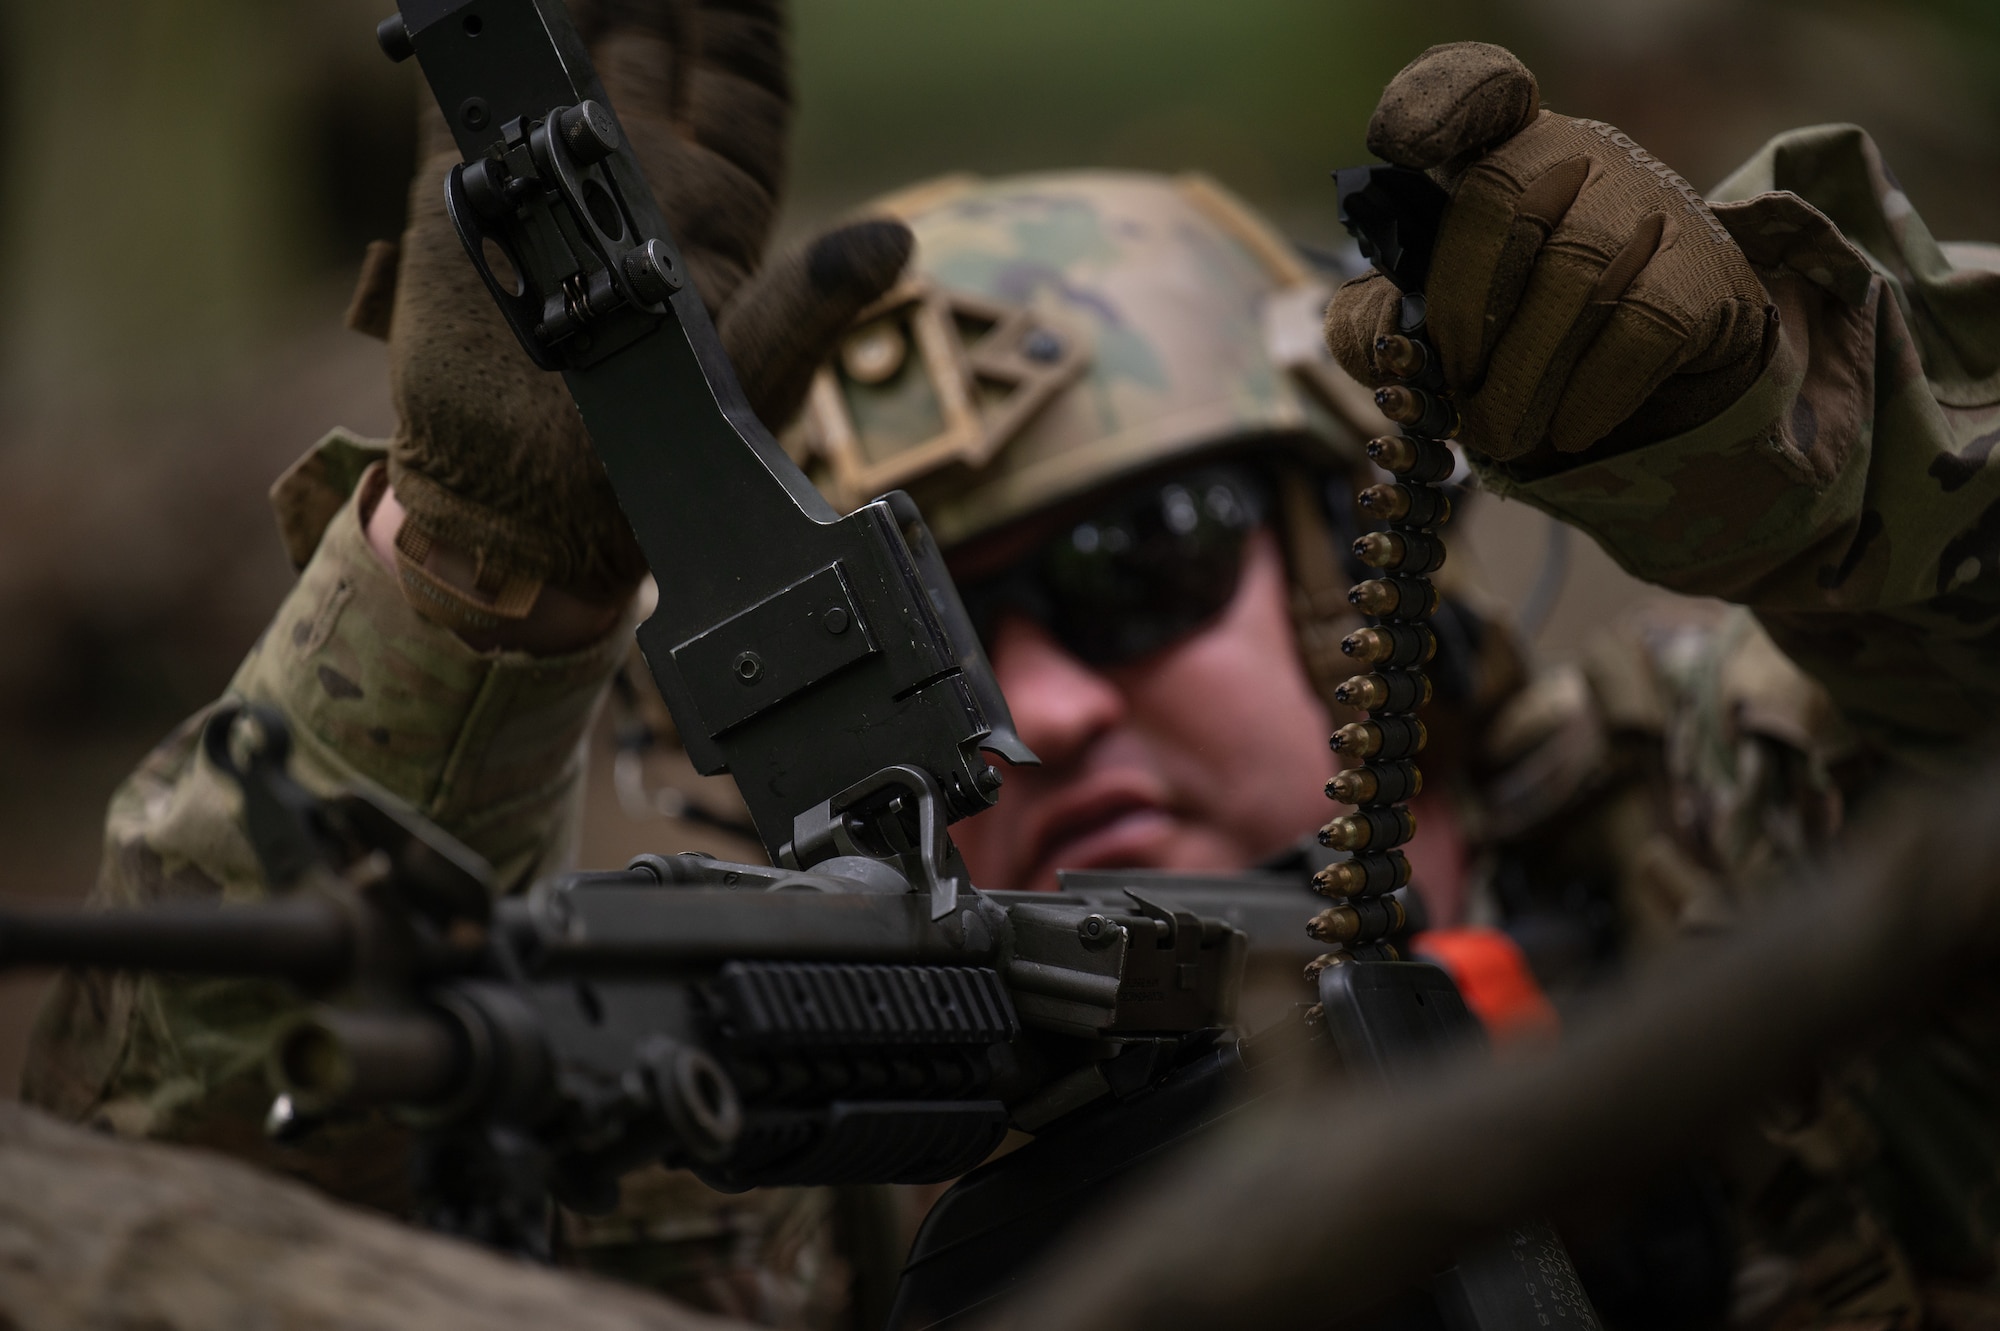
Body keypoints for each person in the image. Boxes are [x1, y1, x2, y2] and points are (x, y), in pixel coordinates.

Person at [20, 11, 2000, 1325]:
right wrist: (469, 583)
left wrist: (1793, 448)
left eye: (1138, 565)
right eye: (941, 640)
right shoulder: (743, 1178)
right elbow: (172, 1207)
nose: (1039, 706)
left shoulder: (1737, 845)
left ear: (1348, 564)